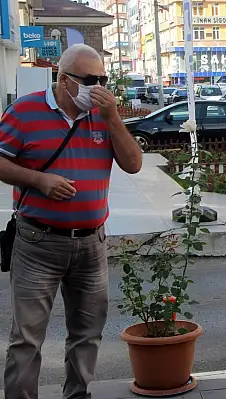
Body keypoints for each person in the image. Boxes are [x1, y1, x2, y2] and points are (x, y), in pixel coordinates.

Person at [0, 44, 143, 399]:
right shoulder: (24, 112)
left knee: (88, 332)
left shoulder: (102, 115)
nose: (98, 87)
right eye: (90, 80)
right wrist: (37, 180)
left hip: (92, 244)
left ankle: (77, 394)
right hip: (38, 243)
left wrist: (112, 118)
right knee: (26, 338)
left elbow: (133, 163)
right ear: (64, 80)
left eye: (103, 79)